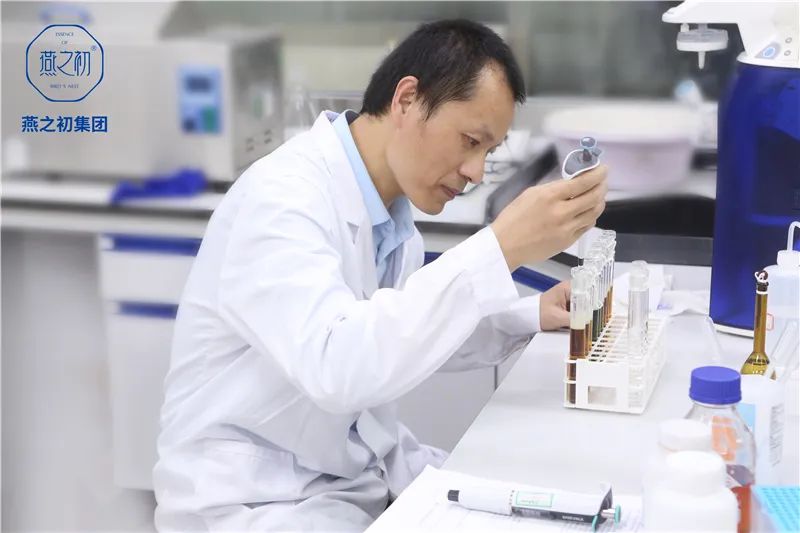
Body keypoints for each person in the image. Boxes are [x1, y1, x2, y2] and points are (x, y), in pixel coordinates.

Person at [153, 19, 607, 532]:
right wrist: (500, 249)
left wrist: (528, 315)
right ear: (407, 99)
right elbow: (339, 365)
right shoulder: (282, 200)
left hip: (344, 481)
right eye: (470, 141)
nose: (477, 172)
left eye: (489, 151)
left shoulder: (389, 217)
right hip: (257, 502)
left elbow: (400, 331)